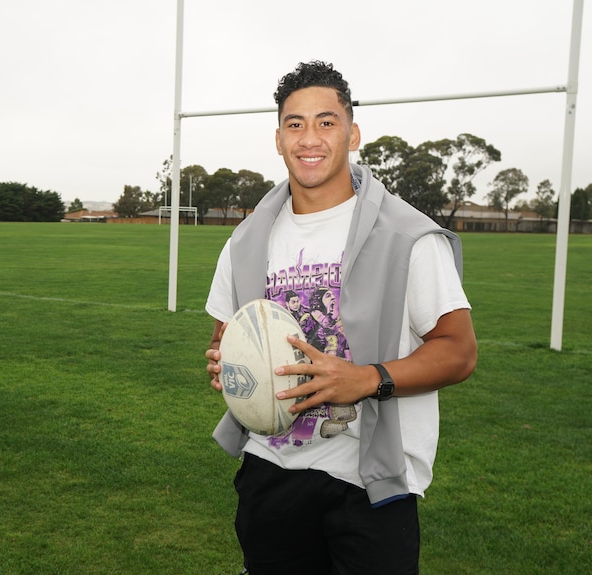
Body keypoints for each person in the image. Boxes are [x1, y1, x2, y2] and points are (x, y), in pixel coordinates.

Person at [204, 61, 477, 575]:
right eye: (296, 123)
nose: (311, 138)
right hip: (269, 471)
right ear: (279, 138)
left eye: (326, 122)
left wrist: (366, 379)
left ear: (352, 134)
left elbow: (459, 351)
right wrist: (228, 366)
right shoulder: (246, 240)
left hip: (367, 486)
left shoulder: (408, 235)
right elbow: (226, 338)